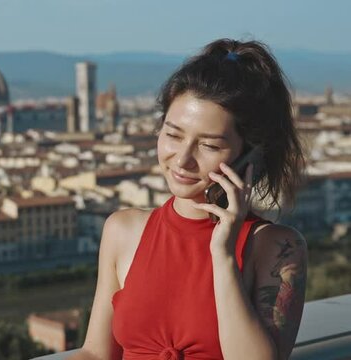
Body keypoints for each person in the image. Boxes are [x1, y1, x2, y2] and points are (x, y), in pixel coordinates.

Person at [68, 39, 308, 360]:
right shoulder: (122, 230)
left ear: (250, 155)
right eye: (173, 134)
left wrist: (223, 255)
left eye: (208, 145)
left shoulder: (277, 247)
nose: (182, 159)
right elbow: (96, 354)